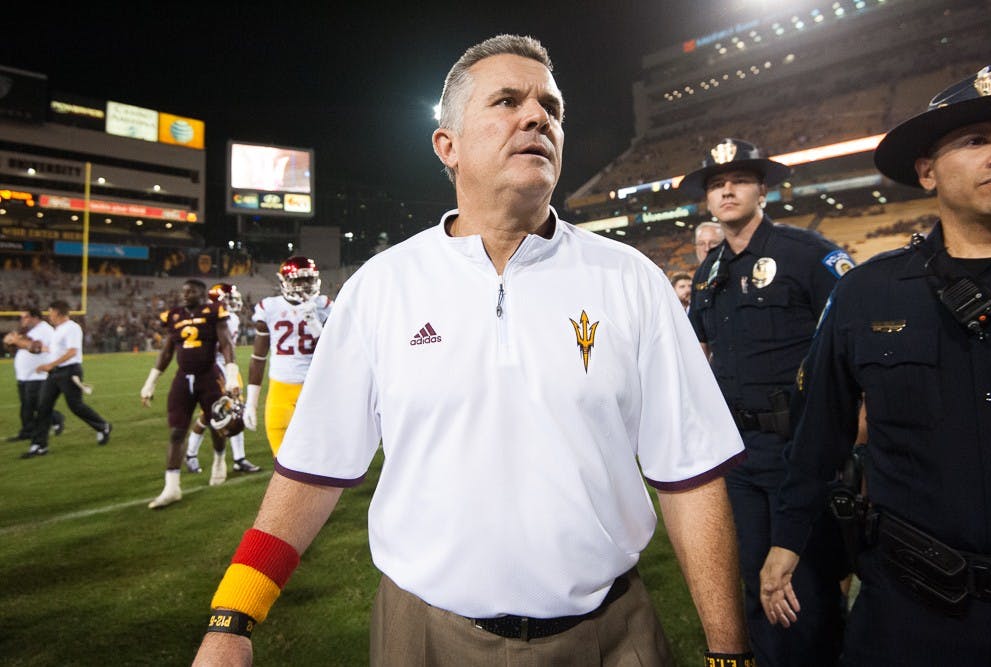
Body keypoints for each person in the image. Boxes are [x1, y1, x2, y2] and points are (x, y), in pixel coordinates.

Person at [194, 34, 753, 666]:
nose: (537, 116)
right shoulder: (381, 288)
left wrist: (729, 651)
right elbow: (312, 469)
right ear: (448, 145)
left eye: (551, 107)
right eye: (508, 101)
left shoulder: (632, 281)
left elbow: (690, 476)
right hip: (423, 633)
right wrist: (232, 617)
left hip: (610, 631)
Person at [760, 65, 991, 665]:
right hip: (912, 607)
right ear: (926, 171)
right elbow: (821, 432)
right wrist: (788, 538)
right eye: (977, 141)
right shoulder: (866, 294)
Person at [681, 138, 854, 666]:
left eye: (738, 180)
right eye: (715, 185)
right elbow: (697, 348)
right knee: (754, 579)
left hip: (799, 450)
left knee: (808, 589)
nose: (726, 190)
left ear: (763, 189)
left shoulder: (808, 255)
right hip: (738, 455)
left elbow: (852, 341)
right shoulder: (711, 271)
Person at [140, 279, 241, 508]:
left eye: (192, 291)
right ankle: (172, 486)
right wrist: (151, 382)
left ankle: (218, 459)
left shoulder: (214, 311)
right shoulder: (174, 315)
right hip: (183, 378)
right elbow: (166, 352)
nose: (186, 295)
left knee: (218, 424)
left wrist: (232, 375)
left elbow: (226, 344)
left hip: (209, 376)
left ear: (203, 293)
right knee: (177, 431)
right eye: (184, 291)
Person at [242, 256, 332, 455]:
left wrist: (315, 325)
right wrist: (251, 402)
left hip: (316, 386)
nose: (303, 285)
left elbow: (335, 353)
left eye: (308, 279)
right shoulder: (270, 307)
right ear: (284, 281)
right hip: (281, 387)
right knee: (282, 456)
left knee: (319, 455)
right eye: (297, 280)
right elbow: (258, 358)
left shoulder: (324, 306)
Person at [184, 282, 261, 480]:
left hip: (226, 368)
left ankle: (238, 459)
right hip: (214, 369)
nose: (234, 301)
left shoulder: (223, 316)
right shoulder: (218, 316)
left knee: (234, 411)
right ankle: (191, 454)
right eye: (229, 298)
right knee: (211, 415)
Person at [21, 300, 111, 458]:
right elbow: (55, 350)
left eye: (51, 313)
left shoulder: (72, 328)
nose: (49, 316)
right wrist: (37, 350)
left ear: (58, 312)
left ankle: (102, 426)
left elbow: (71, 352)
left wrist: (50, 365)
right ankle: (39, 445)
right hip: (55, 372)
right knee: (43, 407)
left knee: (75, 406)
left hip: (69, 371)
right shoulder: (58, 329)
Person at [4, 308, 65, 442]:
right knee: (27, 404)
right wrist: (10, 341)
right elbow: (19, 345)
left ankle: (52, 420)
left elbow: (36, 347)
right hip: (24, 374)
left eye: (25, 317)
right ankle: (30, 430)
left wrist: (16, 341)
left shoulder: (44, 330)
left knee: (32, 405)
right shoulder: (29, 330)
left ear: (35, 317)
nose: (22, 320)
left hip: (37, 374)